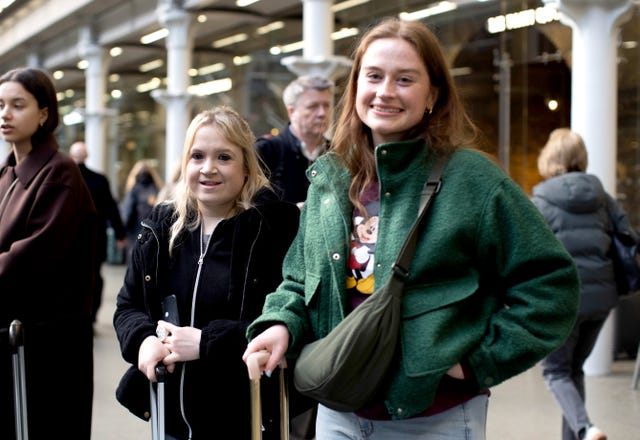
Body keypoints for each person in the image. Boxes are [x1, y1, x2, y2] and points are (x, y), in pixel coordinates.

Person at [243, 17, 580, 440]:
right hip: (338, 408)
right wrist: (280, 324)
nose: (385, 92)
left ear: (432, 96)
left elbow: (551, 284)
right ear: (355, 87)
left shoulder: (472, 180)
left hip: (433, 417)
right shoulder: (330, 178)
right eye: (374, 76)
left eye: (405, 79)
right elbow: (297, 279)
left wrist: (477, 361)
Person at [113, 106, 301, 439]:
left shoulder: (275, 229)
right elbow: (129, 306)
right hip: (169, 419)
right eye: (197, 156)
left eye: (224, 157)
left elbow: (285, 320)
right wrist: (143, 341)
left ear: (246, 165)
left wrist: (207, 343)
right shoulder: (160, 227)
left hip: (247, 420)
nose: (208, 169)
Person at [0, 67, 97, 439]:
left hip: (46, 351)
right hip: (16, 342)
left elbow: (31, 260)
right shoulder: (8, 173)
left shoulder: (59, 175)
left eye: (18, 105)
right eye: (2, 105)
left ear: (44, 113)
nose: (5, 114)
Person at [531, 128, 635, 440]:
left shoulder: (540, 200)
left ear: (550, 157)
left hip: (562, 300)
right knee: (574, 368)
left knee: (555, 371)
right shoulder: (602, 197)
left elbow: (529, 253)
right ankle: (577, 435)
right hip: (601, 300)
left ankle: (585, 428)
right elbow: (628, 237)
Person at [69, 140, 127, 325]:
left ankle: (76, 314)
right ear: (86, 156)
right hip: (95, 238)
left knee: (72, 276)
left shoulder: (65, 177)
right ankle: (90, 315)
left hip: (70, 239)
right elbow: (111, 208)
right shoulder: (99, 179)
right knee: (93, 276)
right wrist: (120, 233)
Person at [256, 75, 333, 208]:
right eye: (313, 106)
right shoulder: (266, 152)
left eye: (326, 105)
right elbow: (251, 208)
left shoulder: (338, 152)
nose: (322, 113)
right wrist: (292, 212)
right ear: (292, 112)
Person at [121, 159, 162, 258]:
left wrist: (123, 231)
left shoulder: (133, 189)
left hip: (136, 230)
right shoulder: (157, 189)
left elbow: (128, 212)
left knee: (135, 258)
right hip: (154, 230)